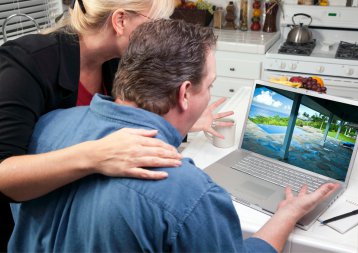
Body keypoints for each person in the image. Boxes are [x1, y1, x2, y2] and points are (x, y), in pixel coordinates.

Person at [9, 19, 339, 252]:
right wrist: (287, 213)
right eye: (209, 86)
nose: (209, 94)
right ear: (184, 94)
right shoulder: (189, 193)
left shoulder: (48, 127)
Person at [0, 0, 233, 249]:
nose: (160, 33)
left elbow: (128, 114)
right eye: (154, 23)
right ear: (120, 20)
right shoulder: (27, 63)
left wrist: (183, 121)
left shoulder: (117, 60)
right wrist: (96, 155)